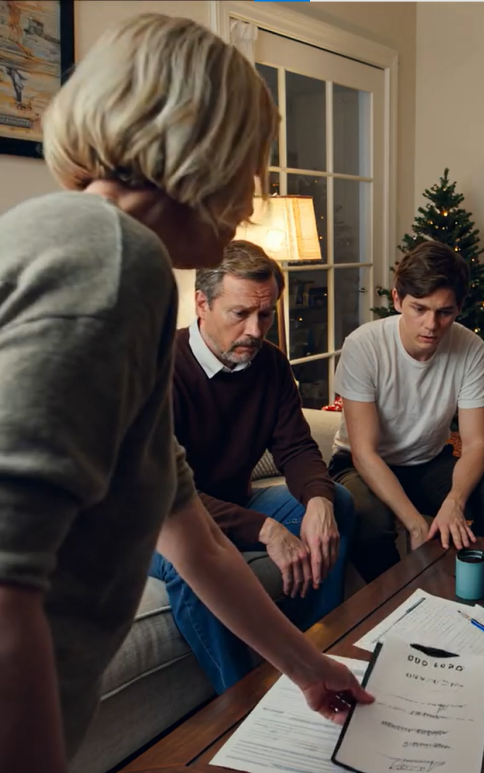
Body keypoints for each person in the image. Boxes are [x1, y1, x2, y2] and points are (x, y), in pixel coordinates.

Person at [0, 14, 371, 773]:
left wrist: (307, 666)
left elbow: (190, 536)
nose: (258, 187)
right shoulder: (111, 261)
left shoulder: (86, 246)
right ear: (205, 147)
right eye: (255, 157)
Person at [154, 240, 357, 693]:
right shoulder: (158, 369)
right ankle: (241, 701)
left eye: (265, 316)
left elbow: (297, 449)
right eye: (240, 313)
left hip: (230, 502)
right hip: (148, 523)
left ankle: (310, 649)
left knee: (338, 502)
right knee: (192, 564)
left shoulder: (270, 364)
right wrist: (264, 530)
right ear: (202, 304)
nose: (255, 329)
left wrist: (319, 500)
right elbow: (166, 495)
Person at [330, 241, 484, 582]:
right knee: (368, 519)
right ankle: (397, 599)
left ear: (459, 307)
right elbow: (364, 452)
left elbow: (476, 443)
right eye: (419, 309)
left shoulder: (469, 346)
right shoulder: (364, 344)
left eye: (444, 312)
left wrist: (455, 500)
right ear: (397, 300)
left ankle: (465, 581)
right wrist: (417, 524)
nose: (431, 325)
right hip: (360, 466)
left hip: (428, 463)